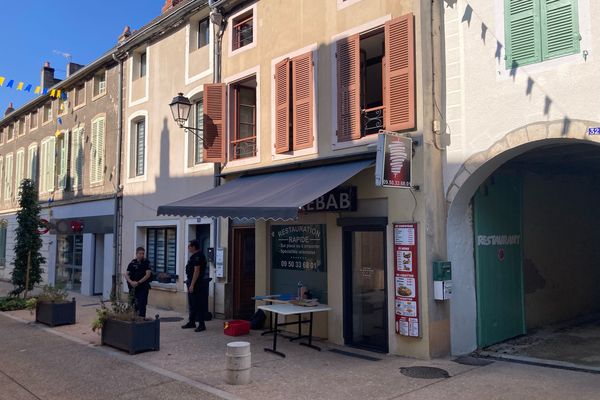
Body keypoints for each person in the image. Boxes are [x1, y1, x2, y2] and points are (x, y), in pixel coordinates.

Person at [181, 239, 209, 332]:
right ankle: (191, 322)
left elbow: (196, 271)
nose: (188, 248)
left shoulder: (198, 256)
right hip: (191, 281)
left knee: (198, 304)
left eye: (189, 246)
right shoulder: (194, 256)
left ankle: (201, 324)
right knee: (192, 304)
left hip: (197, 283)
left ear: (193, 247)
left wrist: (192, 285)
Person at [124, 247, 152, 318]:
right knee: (133, 304)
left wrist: (138, 282)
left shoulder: (146, 262)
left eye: (143, 253)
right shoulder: (132, 262)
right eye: (140, 253)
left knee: (142, 305)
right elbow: (126, 274)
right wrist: (131, 282)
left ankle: (142, 321)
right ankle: (134, 319)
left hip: (143, 287)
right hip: (133, 287)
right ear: (136, 254)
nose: (142, 255)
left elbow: (148, 274)